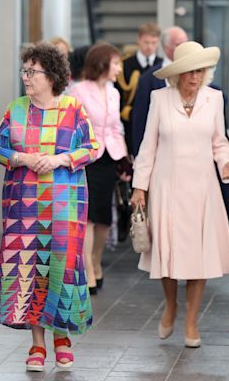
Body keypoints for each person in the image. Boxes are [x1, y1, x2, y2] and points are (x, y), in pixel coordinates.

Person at [0, 42, 99, 372]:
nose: (26, 77)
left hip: (65, 205)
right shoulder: (16, 109)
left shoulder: (73, 109)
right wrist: (21, 158)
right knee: (29, 271)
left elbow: (91, 148)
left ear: (51, 75)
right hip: (23, 207)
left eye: (32, 71)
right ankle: (37, 344)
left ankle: (62, 337)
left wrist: (59, 159)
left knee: (61, 269)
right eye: (24, 70)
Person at [130, 41, 229, 348]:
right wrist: (140, 187)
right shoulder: (159, 98)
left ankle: (191, 321)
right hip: (167, 186)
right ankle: (171, 305)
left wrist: (226, 165)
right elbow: (148, 145)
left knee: (199, 257)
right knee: (167, 253)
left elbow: (220, 142)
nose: (195, 77)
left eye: (200, 71)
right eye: (190, 71)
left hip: (203, 188)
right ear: (177, 74)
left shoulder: (214, 99)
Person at [68, 42, 131, 294]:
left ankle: (96, 260)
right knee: (89, 216)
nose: (118, 69)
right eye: (116, 63)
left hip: (109, 158)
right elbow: (71, 126)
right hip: (87, 158)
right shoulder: (78, 90)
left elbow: (116, 128)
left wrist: (125, 158)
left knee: (104, 216)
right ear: (103, 64)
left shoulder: (115, 92)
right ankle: (85, 270)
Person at [130, 26, 188, 157]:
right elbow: (141, 121)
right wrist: (141, 158)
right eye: (179, 44)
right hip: (160, 152)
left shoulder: (196, 74)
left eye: (186, 43)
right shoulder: (148, 78)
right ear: (166, 47)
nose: (185, 47)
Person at [115, 22, 162, 154]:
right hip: (131, 123)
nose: (149, 47)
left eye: (153, 43)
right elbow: (118, 94)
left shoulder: (162, 65)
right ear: (139, 40)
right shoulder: (124, 65)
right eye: (146, 42)